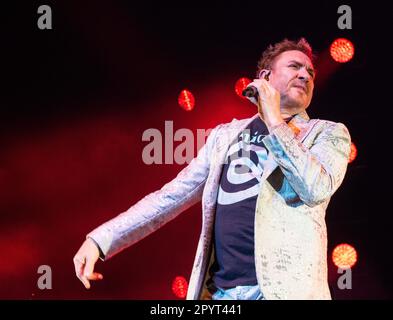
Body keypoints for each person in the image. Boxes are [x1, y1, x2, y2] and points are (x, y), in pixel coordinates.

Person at [73, 38, 351, 300]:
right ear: (265, 77)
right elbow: (170, 196)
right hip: (221, 293)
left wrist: (276, 122)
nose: (305, 75)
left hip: (283, 292)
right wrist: (101, 239)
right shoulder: (225, 136)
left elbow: (315, 188)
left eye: (311, 73)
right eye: (295, 66)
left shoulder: (326, 133)